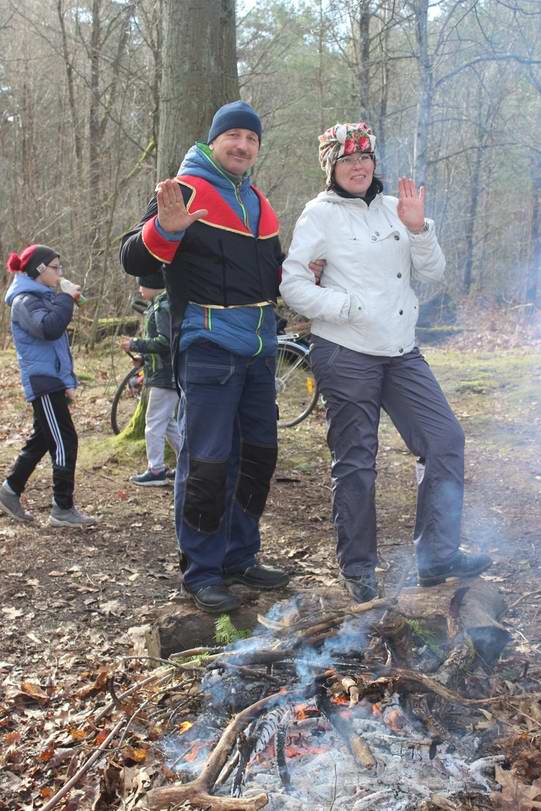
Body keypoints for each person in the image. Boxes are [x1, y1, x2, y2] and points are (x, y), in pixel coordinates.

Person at [280, 121, 492, 603]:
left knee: (444, 440)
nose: (357, 166)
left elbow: (433, 273)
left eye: (364, 157)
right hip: (345, 352)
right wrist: (344, 308)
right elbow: (292, 283)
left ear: (374, 161)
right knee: (356, 461)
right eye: (346, 159)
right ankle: (358, 568)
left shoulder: (399, 208)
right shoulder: (320, 214)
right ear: (331, 166)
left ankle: (437, 555)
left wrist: (418, 230)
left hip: (401, 352)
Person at [120, 100, 289, 613]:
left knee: (257, 457)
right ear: (213, 141)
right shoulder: (185, 189)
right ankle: (202, 570)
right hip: (209, 348)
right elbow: (133, 258)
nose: (242, 145)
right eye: (233, 135)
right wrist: (166, 229)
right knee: (209, 462)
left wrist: (309, 275)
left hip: (260, 351)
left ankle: (240, 556)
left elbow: (270, 277)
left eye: (251, 139)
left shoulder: (258, 202)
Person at [0, 245, 97, 527]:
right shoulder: (24, 301)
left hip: (52, 380)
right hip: (42, 381)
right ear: (40, 269)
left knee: (42, 438)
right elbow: (49, 329)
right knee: (65, 440)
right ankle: (62, 509)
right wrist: (66, 298)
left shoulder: (42, 298)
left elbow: (56, 345)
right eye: (56, 267)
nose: (60, 273)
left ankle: (9, 490)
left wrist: (67, 381)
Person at [120, 271, 181, 486]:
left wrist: (136, 343)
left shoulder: (163, 307)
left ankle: (156, 470)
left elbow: (165, 342)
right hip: (163, 373)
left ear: (153, 285)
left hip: (165, 376)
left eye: (142, 285)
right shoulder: (160, 305)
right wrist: (143, 358)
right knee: (168, 422)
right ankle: (187, 463)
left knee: (153, 423)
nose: (139, 289)